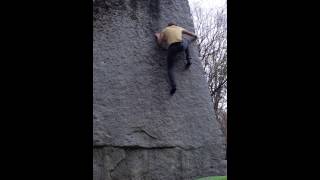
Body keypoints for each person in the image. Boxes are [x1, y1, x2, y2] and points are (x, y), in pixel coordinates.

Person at [154, 22, 197, 95]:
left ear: (168, 26)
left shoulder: (165, 30)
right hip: (181, 45)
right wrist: (195, 36)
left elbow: (160, 43)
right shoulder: (179, 28)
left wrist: (158, 36)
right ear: (175, 25)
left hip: (171, 48)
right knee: (186, 40)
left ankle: (173, 86)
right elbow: (192, 34)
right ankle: (189, 60)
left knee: (170, 69)